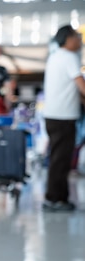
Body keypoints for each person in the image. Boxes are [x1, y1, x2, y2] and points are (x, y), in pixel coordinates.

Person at [41, 25, 85, 212]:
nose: (80, 40)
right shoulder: (69, 57)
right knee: (61, 159)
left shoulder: (55, 56)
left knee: (59, 158)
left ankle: (60, 198)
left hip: (54, 115)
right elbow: (81, 85)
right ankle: (54, 199)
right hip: (62, 116)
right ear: (68, 38)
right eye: (77, 37)